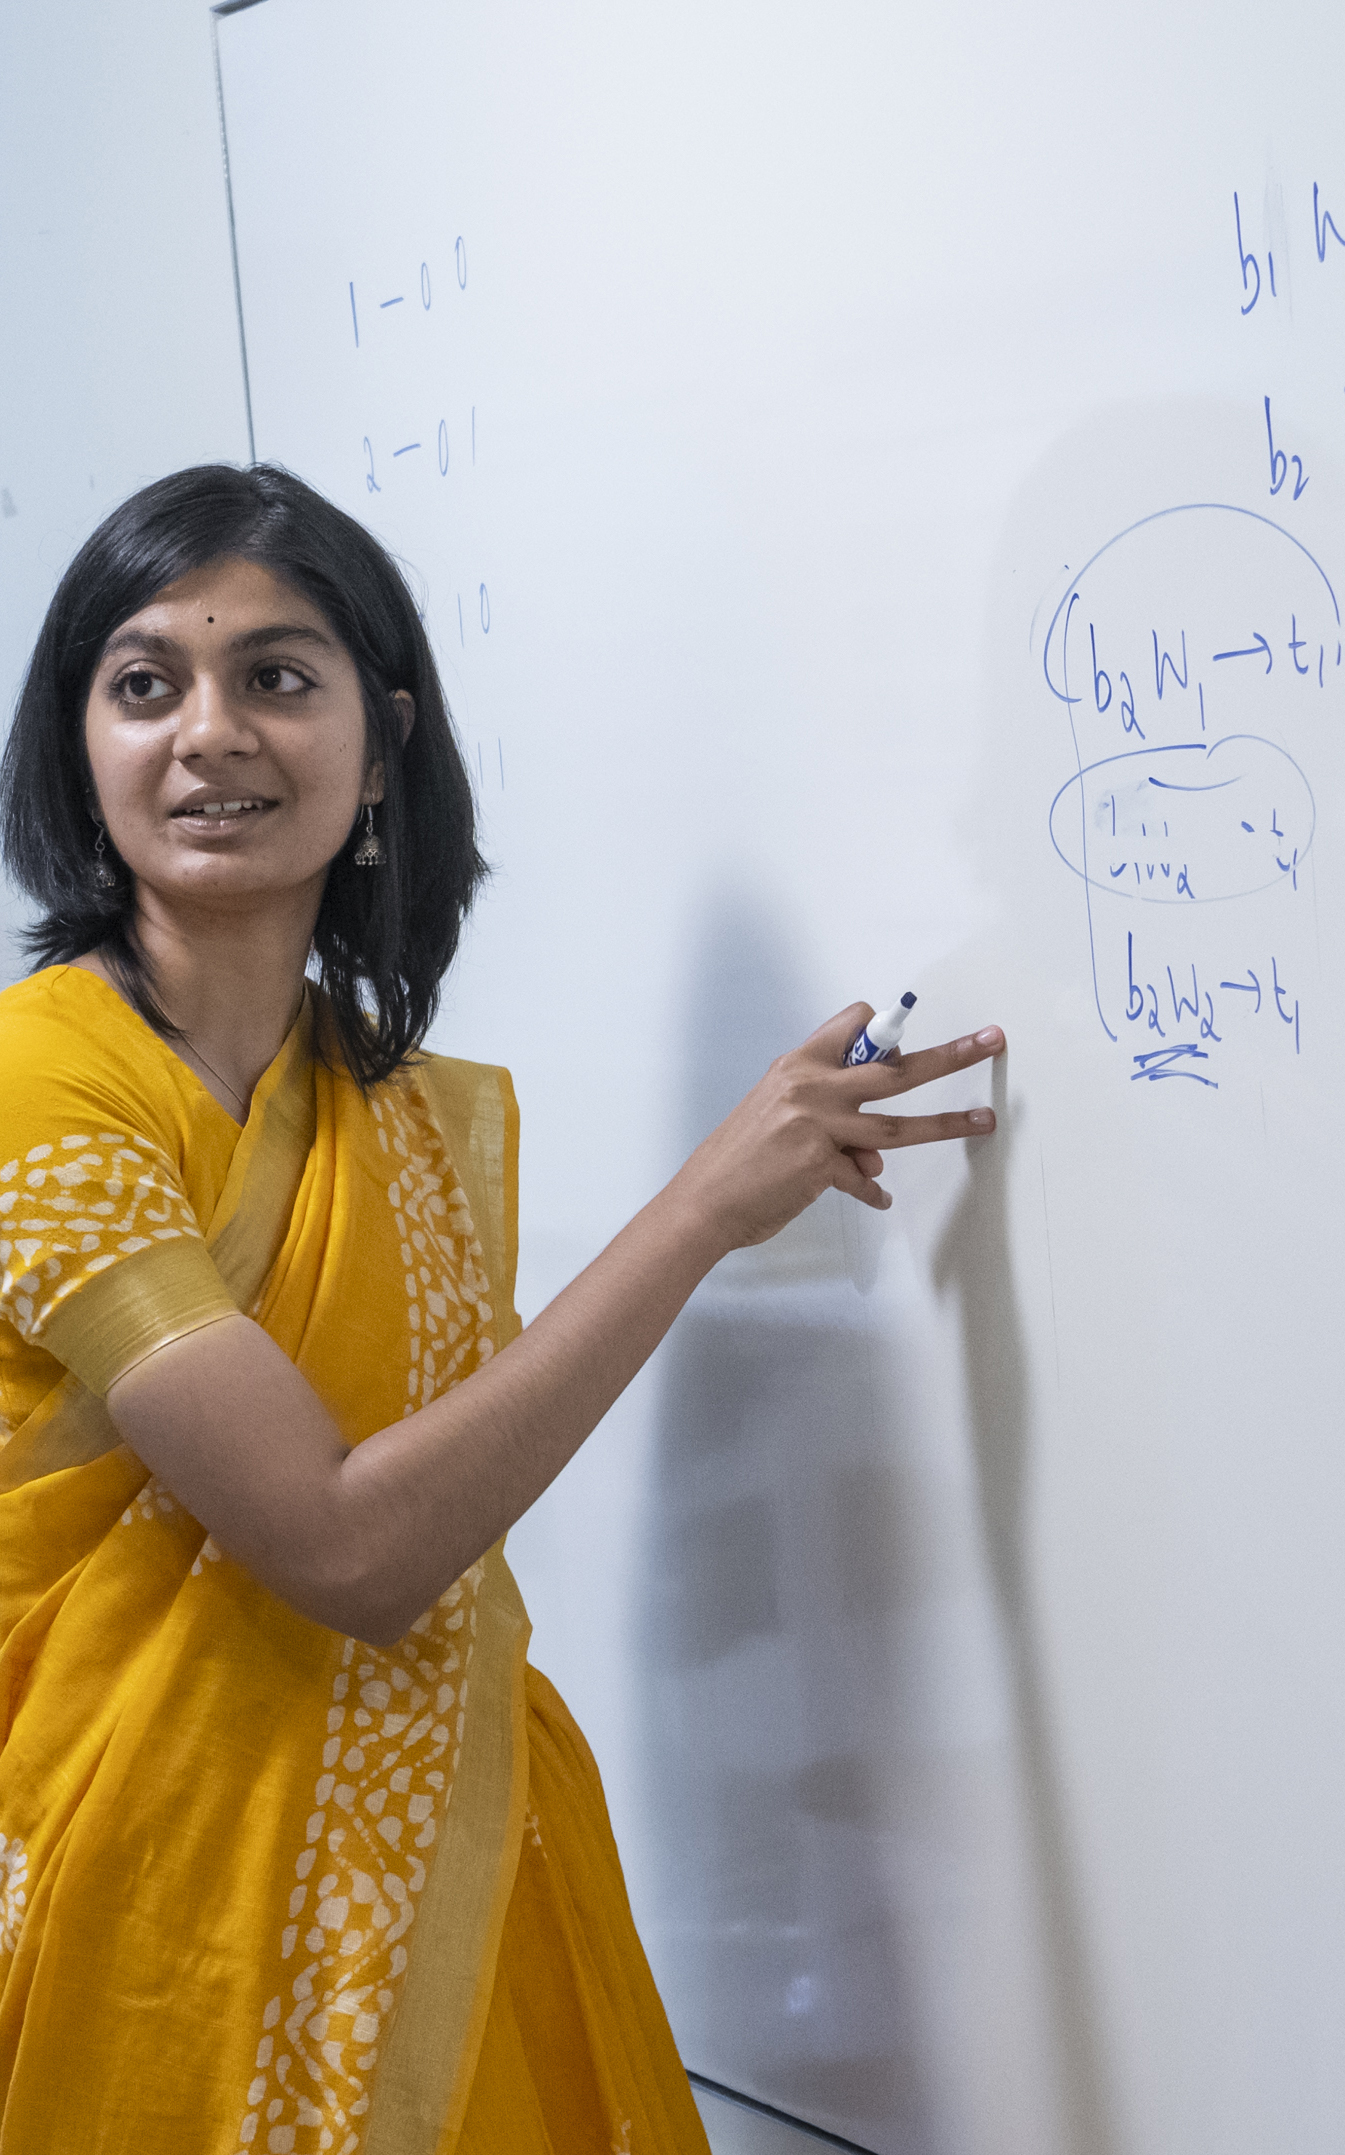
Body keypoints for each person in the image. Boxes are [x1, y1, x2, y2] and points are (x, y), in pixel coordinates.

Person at [0, 463, 1003, 2153]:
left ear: (381, 741)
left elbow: (446, 1525)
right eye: (145, 681)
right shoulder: (43, 1087)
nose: (210, 732)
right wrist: (698, 1216)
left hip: (465, 1882)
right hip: (149, 1905)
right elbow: (347, 1553)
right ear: (78, 743)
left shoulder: (398, 1112)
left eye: (279, 677)